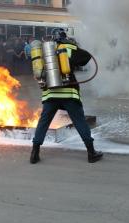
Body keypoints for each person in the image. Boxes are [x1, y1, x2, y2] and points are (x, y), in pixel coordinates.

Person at [30, 31, 103, 164]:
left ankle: (34, 152)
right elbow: (85, 58)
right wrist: (74, 46)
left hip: (50, 93)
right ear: (65, 38)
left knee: (43, 123)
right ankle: (91, 152)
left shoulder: (44, 49)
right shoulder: (68, 48)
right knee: (79, 121)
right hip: (69, 93)